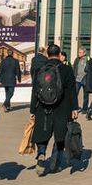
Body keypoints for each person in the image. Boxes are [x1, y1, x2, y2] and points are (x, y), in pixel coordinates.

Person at [30, 44, 79, 176]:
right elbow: (71, 90)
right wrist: (74, 108)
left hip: (43, 107)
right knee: (60, 136)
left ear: (47, 54)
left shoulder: (41, 68)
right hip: (62, 107)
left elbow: (35, 90)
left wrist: (32, 110)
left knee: (42, 133)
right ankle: (54, 164)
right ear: (59, 54)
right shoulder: (66, 69)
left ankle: (41, 154)